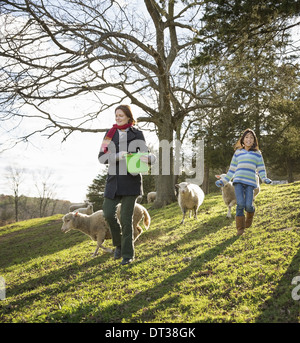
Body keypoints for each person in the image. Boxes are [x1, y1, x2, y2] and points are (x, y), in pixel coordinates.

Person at [98, 105, 155, 265]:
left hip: (131, 181)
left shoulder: (138, 134)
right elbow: (101, 157)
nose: (117, 118)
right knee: (108, 214)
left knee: (126, 218)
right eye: (116, 115)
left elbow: (144, 155)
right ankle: (119, 245)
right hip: (113, 182)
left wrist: (148, 158)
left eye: (121, 115)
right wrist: (118, 155)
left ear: (129, 117)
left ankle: (128, 255)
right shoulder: (109, 135)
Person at [215, 128, 272, 235]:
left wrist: (264, 178)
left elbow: (261, 168)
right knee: (240, 204)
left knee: (248, 206)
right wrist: (223, 181)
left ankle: (250, 215)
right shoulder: (238, 152)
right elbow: (231, 170)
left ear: (254, 141)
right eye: (246, 137)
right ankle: (240, 229)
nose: (249, 139)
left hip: (250, 183)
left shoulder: (257, 153)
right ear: (243, 140)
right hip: (238, 182)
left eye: (251, 137)